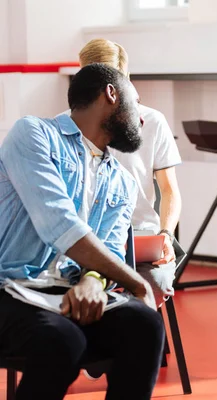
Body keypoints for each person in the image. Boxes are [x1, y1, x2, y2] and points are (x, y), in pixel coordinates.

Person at [0, 64, 165, 400]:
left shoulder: (122, 180)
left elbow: (110, 250)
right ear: (111, 94)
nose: (142, 120)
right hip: (9, 286)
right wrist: (135, 282)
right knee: (63, 339)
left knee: (144, 325)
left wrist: (93, 281)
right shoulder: (32, 134)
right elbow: (58, 223)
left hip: (65, 293)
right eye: (137, 105)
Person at [74, 38, 183, 307]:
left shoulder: (151, 121)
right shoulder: (67, 124)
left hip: (140, 236)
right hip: (87, 239)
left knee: (152, 286)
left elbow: (170, 191)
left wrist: (166, 234)